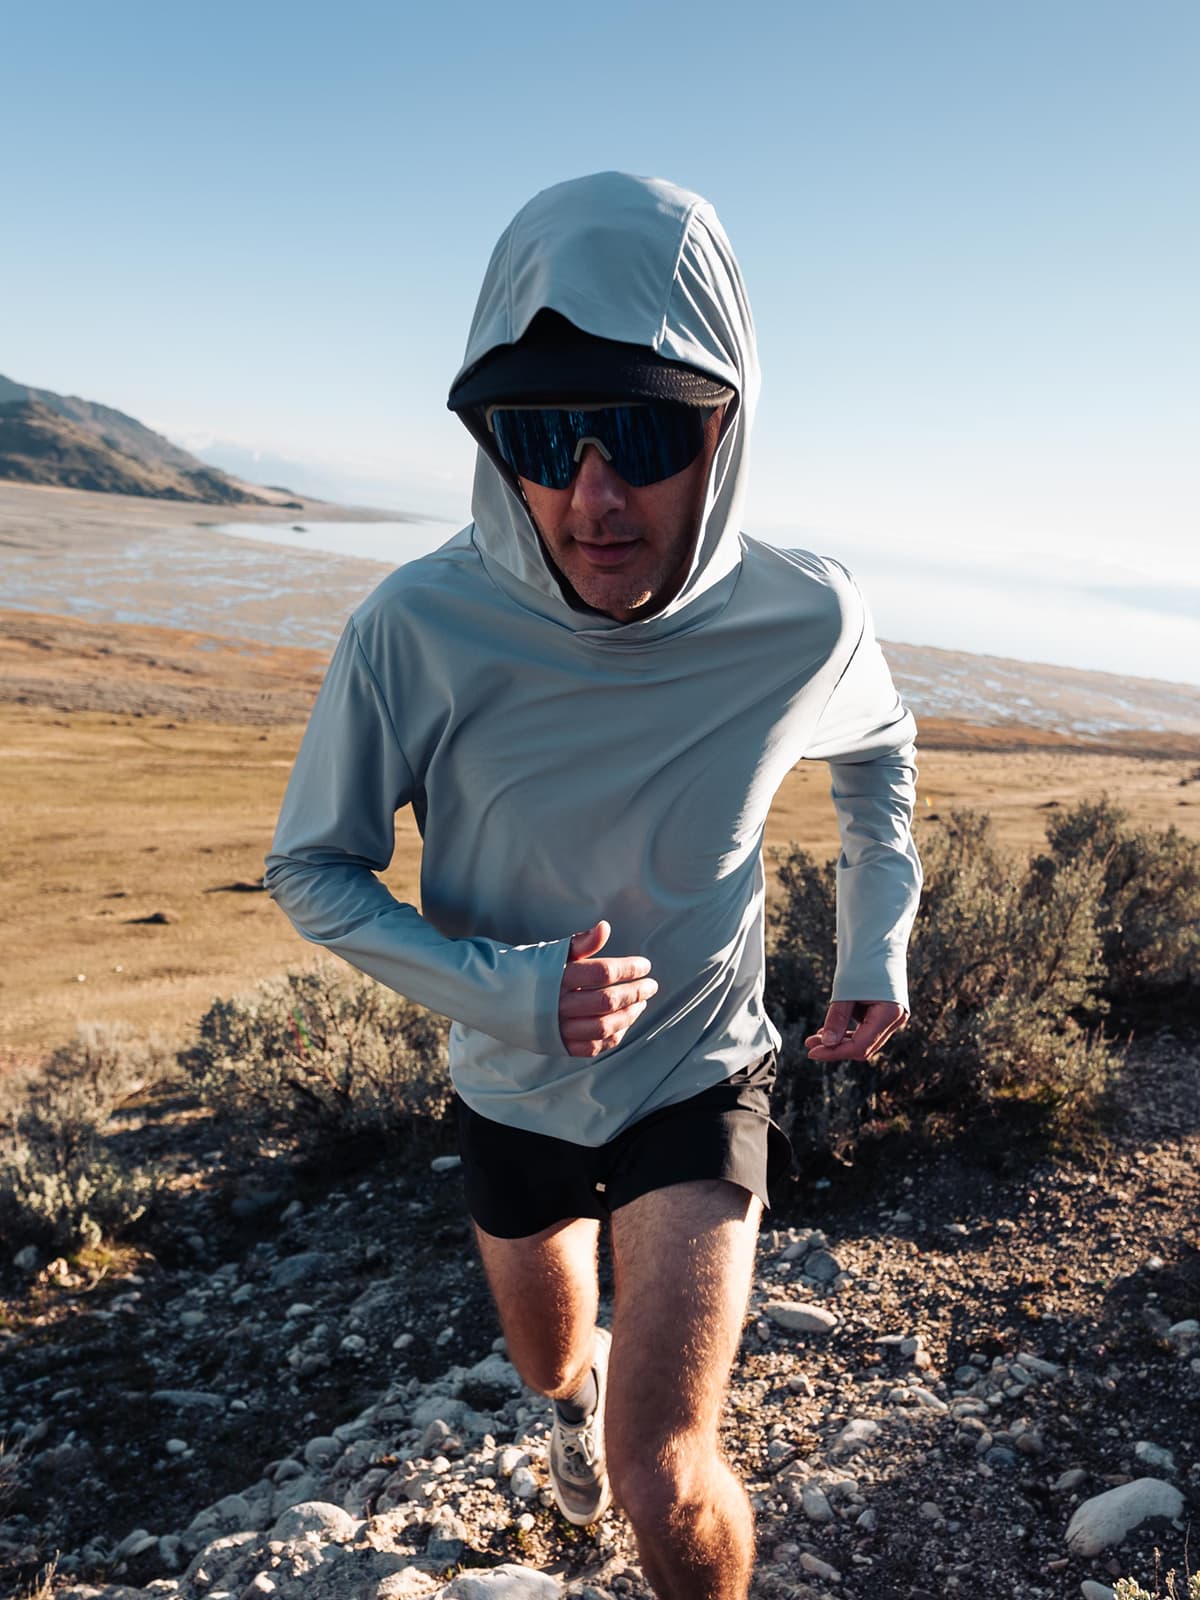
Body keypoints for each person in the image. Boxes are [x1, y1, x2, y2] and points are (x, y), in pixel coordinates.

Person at [265, 171, 921, 1600]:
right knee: (552, 1363)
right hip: (512, 1085)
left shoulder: (804, 616)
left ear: (725, 425)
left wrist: (877, 938)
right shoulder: (416, 626)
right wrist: (509, 995)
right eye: (539, 438)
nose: (593, 495)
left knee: (664, 1471)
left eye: (644, 432)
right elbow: (312, 866)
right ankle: (572, 1399)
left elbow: (879, 746)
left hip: (702, 1071)